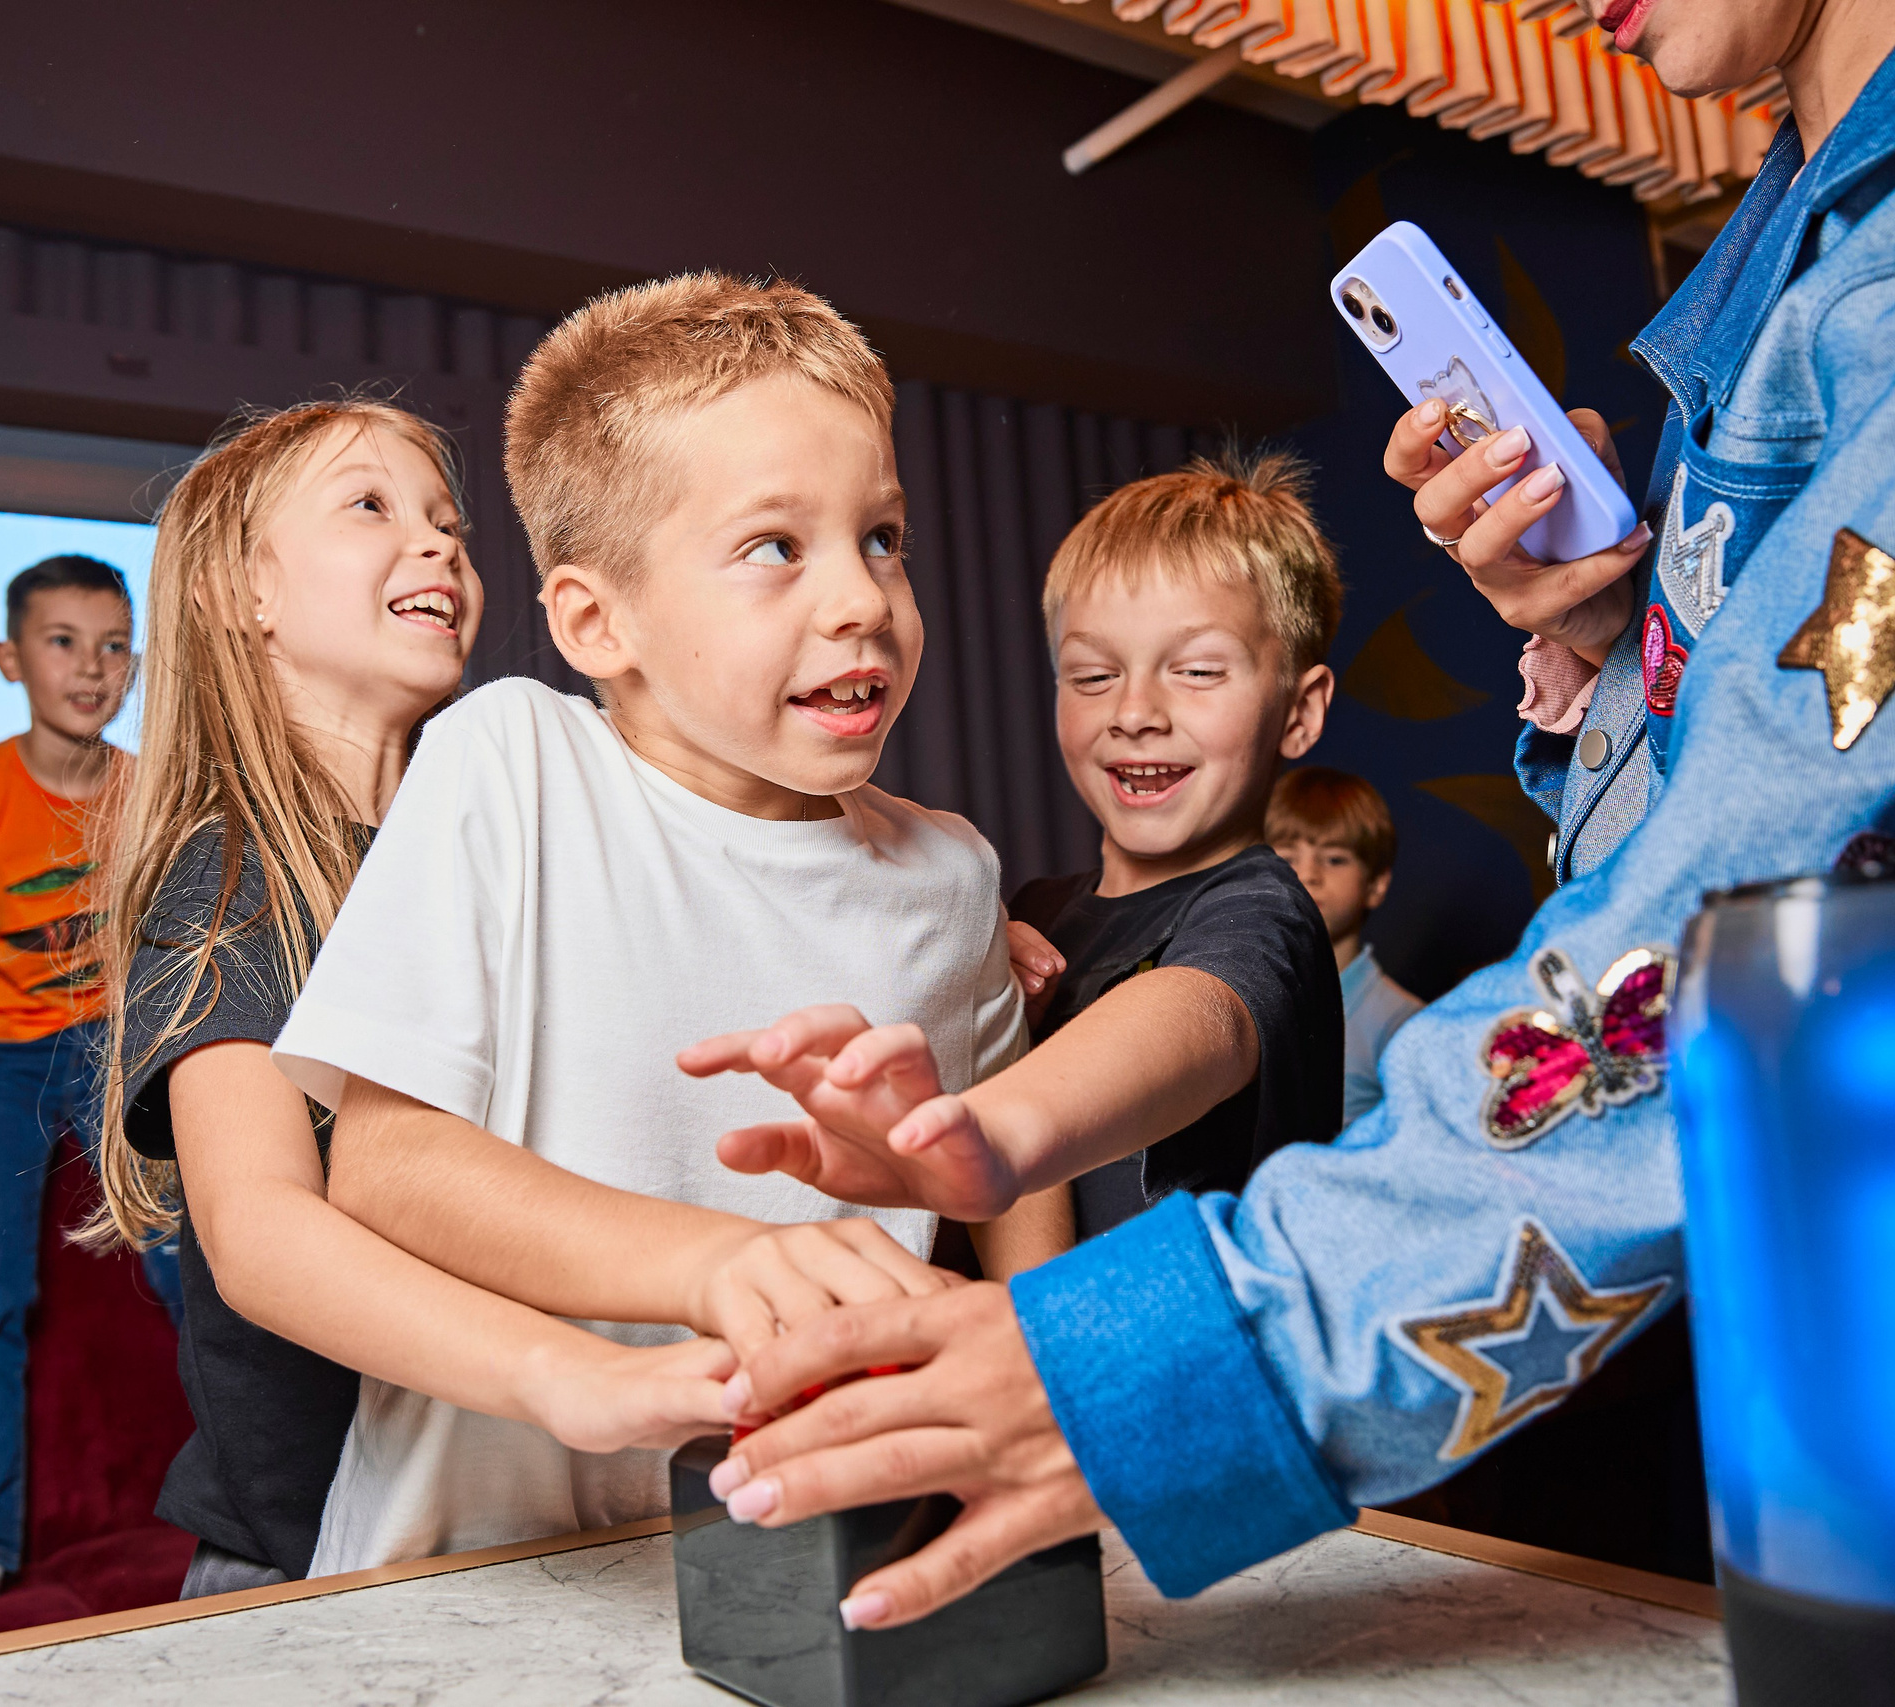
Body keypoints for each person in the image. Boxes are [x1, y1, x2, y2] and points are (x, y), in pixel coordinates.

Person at [691, 0, 1895, 1687]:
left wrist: (1187, 1355)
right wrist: (1612, 645)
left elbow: (1784, 903)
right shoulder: (1831, 239)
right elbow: (1768, 828)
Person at [265, 272, 1056, 1576]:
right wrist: (719, 1263)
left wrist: (1028, 1357)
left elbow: (1002, 1143)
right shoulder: (507, 762)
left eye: (882, 537)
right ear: (596, 619)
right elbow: (387, 1168)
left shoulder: (953, 873)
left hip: (800, 1559)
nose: (861, 597)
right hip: (476, 1571)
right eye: (773, 547)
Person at [90, 397, 760, 1598]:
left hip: (533, 1535)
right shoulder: (229, 885)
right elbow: (261, 1236)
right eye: (370, 507)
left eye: (448, 521)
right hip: (310, 1569)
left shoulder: (518, 845)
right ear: (242, 595)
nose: (441, 542)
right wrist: (576, 1375)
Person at [682, 453, 1346, 1248]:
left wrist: (989, 1127)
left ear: (1300, 712)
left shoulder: (1262, 910)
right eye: (1093, 674)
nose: (1134, 712)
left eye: (1197, 671)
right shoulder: (1033, 912)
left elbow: (1204, 1018)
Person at [0, 553, 163, 1617]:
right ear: (13, 659)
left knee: (202, 1257)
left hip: (109, 1045)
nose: (90, 667)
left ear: (134, 663)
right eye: (63, 643)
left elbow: (161, 950)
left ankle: (284, 1504)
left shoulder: (149, 789)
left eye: (111, 646)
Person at [1266, 767, 1423, 1127]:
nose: (1307, 875)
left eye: (1334, 859)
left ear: (1376, 884)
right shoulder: (1240, 1000)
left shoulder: (1401, 1024)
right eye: (1287, 858)